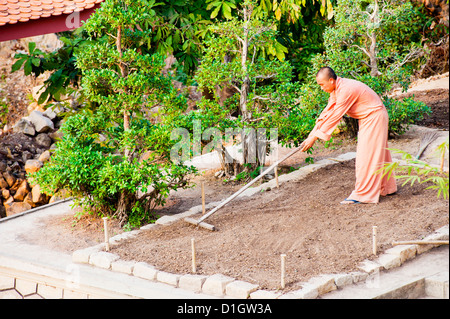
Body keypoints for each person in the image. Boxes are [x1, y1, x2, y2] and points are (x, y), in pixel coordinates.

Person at [300, 67, 397, 204]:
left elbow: (335, 115)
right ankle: (387, 188)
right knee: (378, 153)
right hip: (369, 118)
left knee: (366, 156)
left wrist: (315, 138)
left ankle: (363, 194)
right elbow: (327, 112)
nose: (321, 88)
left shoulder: (345, 90)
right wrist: (311, 134)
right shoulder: (337, 89)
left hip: (374, 118)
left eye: (322, 85)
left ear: (331, 80)